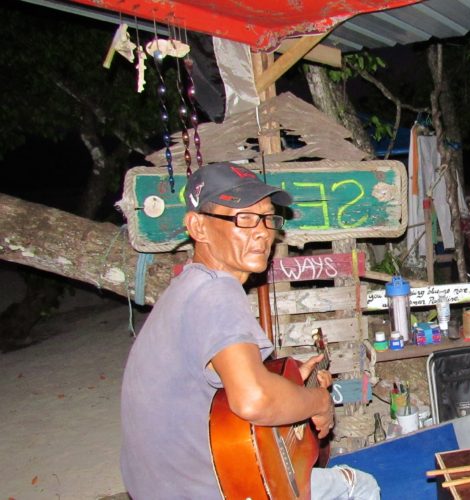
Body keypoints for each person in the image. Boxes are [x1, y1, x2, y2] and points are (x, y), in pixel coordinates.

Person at [120, 162, 379, 499]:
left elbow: (225, 392)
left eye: (268, 218)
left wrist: (293, 383)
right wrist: (317, 401)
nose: (261, 231)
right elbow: (253, 398)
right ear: (197, 227)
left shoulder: (188, 287)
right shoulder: (217, 292)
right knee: (361, 487)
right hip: (218, 490)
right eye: (242, 219)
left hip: (162, 488)